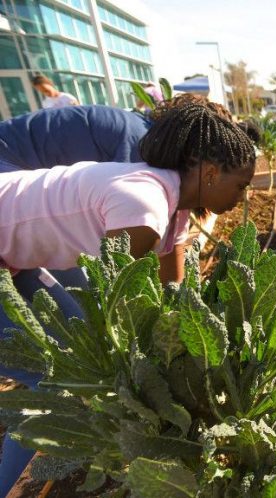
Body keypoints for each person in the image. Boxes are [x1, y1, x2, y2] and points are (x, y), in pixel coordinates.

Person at [0, 97, 256, 495]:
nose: (243, 197)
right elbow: (117, 309)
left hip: (12, 251)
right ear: (209, 173)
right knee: (59, 380)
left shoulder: (175, 209)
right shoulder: (144, 206)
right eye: (240, 185)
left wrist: (190, 348)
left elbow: (173, 295)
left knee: (70, 340)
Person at [0, 105, 151, 173]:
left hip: (13, 144)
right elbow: (118, 190)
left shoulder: (135, 122)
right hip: (9, 155)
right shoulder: (140, 141)